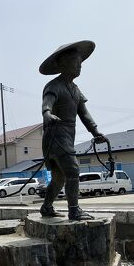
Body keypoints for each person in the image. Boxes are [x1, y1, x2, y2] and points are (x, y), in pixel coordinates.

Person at [39, 40, 108, 221]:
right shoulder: (54, 86)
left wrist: (95, 132)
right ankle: (74, 210)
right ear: (64, 64)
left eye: (81, 63)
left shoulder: (76, 90)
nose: (80, 66)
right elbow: (47, 104)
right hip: (56, 135)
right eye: (76, 62)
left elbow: (84, 114)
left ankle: (46, 207)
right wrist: (47, 114)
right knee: (72, 171)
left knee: (59, 178)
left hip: (68, 136)